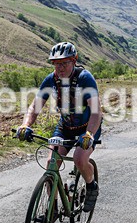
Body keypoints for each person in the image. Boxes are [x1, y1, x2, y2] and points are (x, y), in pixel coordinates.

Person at [16, 42, 103, 212]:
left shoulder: (85, 78)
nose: (60, 68)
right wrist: (25, 125)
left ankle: (91, 185)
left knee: (79, 159)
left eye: (64, 63)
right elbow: (35, 106)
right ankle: (53, 209)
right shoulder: (51, 80)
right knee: (51, 163)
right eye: (56, 64)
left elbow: (96, 111)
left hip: (87, 128)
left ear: (74, 61)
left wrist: (89, 134)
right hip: (65, 127)